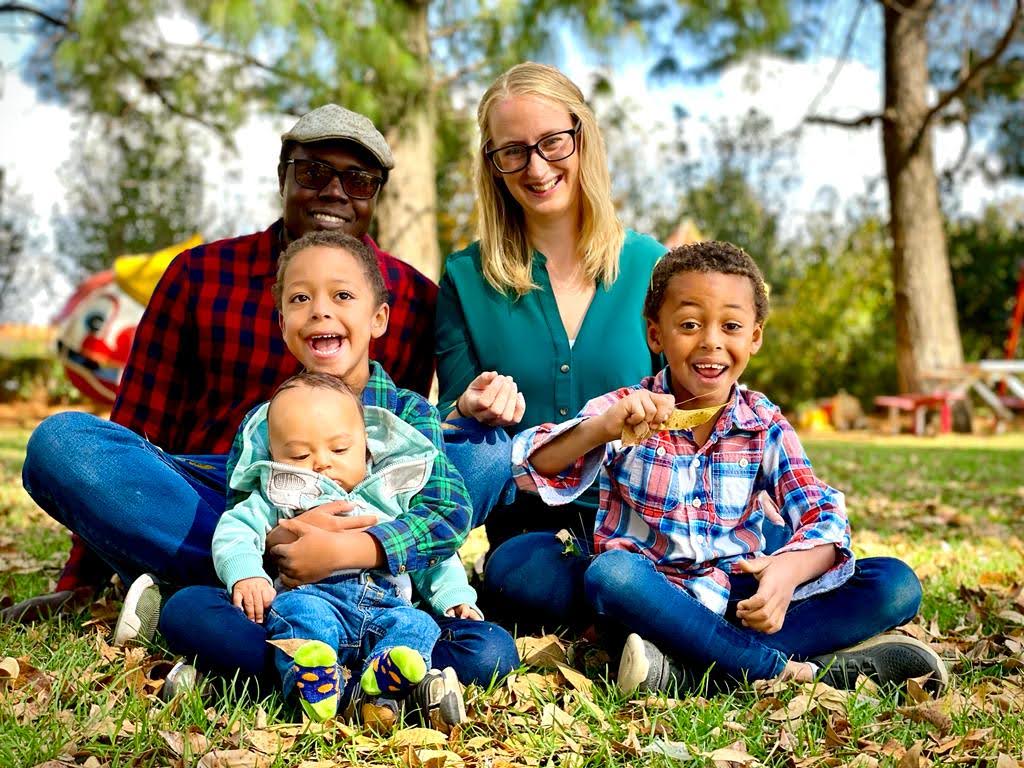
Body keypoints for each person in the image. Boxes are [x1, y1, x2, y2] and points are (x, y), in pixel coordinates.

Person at [15, 105, 517, 703]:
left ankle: (263, 624)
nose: (334, 190)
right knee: (64, 446)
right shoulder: (199, 274)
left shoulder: (412, 297)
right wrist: (84, 577)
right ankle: (274, 594)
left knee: (486, 451)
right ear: (283, 174)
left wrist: (355, 545)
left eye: (356, 179)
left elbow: (419, 460)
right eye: (313, 171)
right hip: (222, 493)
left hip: (370, 513)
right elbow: (135, 424)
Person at [513, 241, 948, 694]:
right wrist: (599, 429)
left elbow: (822, 513)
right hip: (655, 598)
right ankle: (779, 670)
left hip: (740, 597)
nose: (711, 341)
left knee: (895, 584)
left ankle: (685, 670)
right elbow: (532, 465)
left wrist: (786, 574)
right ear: (656, 335)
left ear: (754, 337)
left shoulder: (763, 424)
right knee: (610, 575)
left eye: (732, 325)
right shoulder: (626, 411)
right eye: (689, 324)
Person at [155, 231, 513, 725]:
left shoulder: (406, 417)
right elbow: (242, 515)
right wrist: (270, 552)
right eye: (300, 298)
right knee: (188, 611)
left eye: (342, 295)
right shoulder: (265, 422)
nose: (320, 310)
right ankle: (381, 687)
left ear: (378, 318)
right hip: (300, 605)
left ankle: (334, 678)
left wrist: (444, 595)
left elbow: (443, 527)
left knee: (491, 650)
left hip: (390, 606)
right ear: (283, 323)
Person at [434, 62, 667, 627]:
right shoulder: (467, 277)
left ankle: (643, 610)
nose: (535, 167)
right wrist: (469, 407)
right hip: (533, 533)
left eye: (552, 143)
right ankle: (656, 619)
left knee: (888, 586)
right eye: (511, 151)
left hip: (653, 522)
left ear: (581, 137)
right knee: (518, 575)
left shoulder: (649, 266)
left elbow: (694, 403)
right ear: (492, 164)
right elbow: (450, 436)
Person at [215, 370, 479, 725]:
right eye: (297, 455)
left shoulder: (387, 493)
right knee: (303, 620)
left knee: (418, 625)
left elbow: (431, 558)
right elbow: (236, 528)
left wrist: (455, 598)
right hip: (314, 596)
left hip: (386, 605)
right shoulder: (280, 492)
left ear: (367, 447)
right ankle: (313, 679)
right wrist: (245, 573)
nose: (321, 462)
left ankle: (384, 674)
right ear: (275, 455)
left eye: (339, 449)